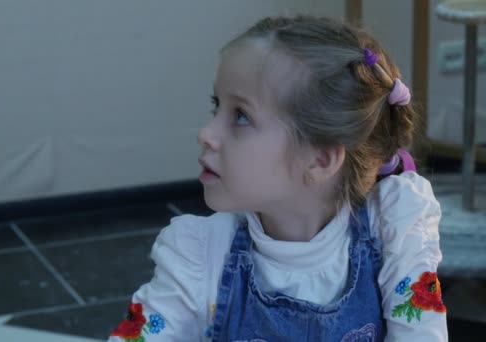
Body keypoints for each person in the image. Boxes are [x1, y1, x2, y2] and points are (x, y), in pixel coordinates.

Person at [108, 15, 447, 341]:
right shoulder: (199, 255)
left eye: (240, 116)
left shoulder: (394, 231)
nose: (206, 133)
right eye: (217, 107)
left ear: (320, 159)